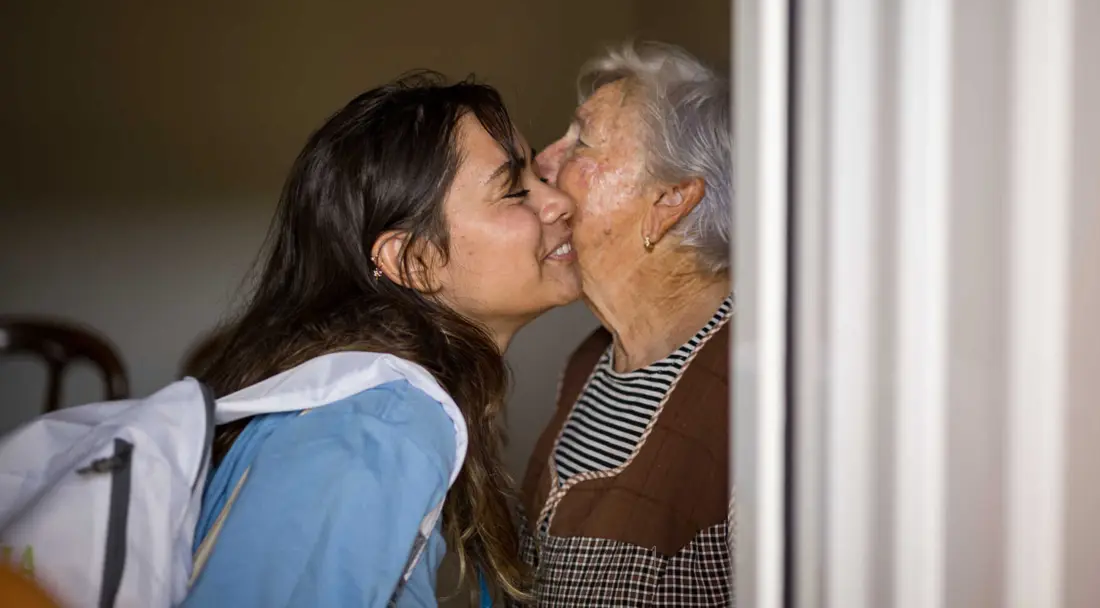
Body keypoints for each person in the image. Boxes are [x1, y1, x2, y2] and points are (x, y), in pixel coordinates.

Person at [184, 74, 580, 607]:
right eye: (515, 189)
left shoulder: (393, 411)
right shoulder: (373, 424)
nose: (557, 201)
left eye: (537, 173)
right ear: (415, 261)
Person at [521, 42, 734, 605]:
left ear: (669, 200)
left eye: (581, 142)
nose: (544, 160)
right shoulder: (591, 360)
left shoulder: (752, 391)